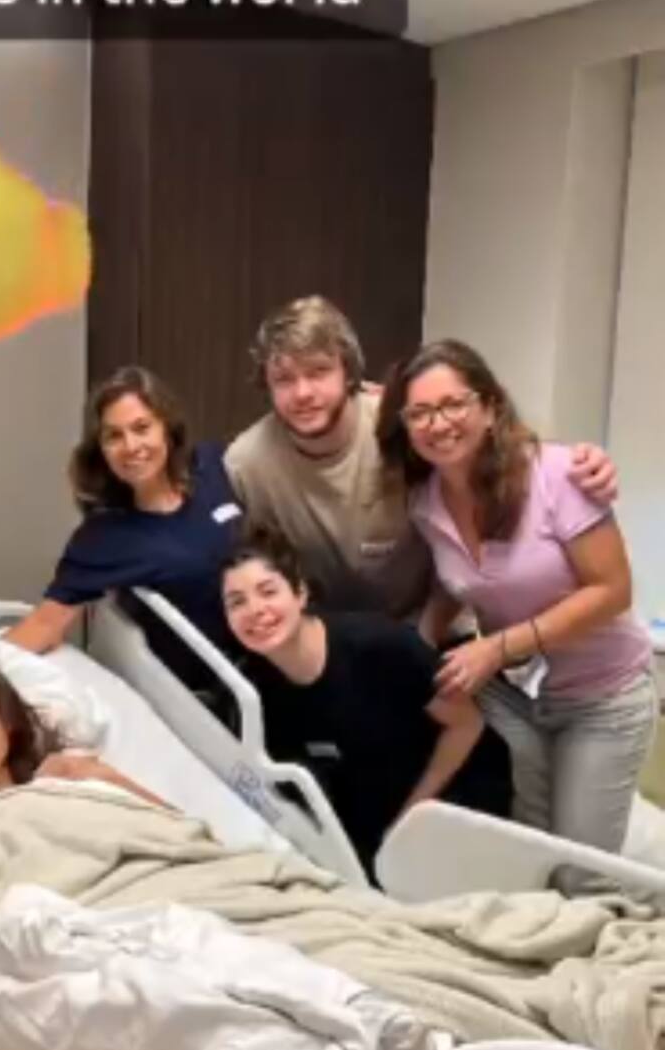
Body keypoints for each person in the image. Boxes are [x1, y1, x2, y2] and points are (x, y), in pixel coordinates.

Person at [376, 339, 658, 854]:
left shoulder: (559, 475)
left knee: (579, 870)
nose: (438, 424)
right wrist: (421, 644)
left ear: (489, 408)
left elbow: (613, 591)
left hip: (604, 695)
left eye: (453, 404)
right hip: (520, 693)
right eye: (420, 413)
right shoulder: (425, 502)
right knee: (529, 850)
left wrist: (497, 647)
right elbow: (457, 581)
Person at [225, 295, 619, 617]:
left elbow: (492, 446)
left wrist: (582, 462)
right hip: (328, 641)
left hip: (433, 623)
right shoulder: (246, 464)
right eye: (284, 379)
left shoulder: (399, 423)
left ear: (349, 373)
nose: (303, 393)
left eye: (318, 372)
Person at [220, 532, 512, 880]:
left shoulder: (378, 647)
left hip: (451, 787)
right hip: (374, 807)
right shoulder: (253, 689)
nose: (255, 610)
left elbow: (466, 725)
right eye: (237, 602)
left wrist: (412, 816)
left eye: (268, 591)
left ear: (300, 593)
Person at [4, 366, 245, 676]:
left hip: (277, 642)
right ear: (101, 449)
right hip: (219, 684)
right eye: (114, 436)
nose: (131, 446)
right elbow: (45, 624)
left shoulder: (213, 465)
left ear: (166, 428)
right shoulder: (105, 538)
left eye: (142, 428)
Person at [0, 643, 170, 892]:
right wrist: (34, 802)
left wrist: (104, 777)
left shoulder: (69, 769)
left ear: (6, 716)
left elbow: (176, 830)